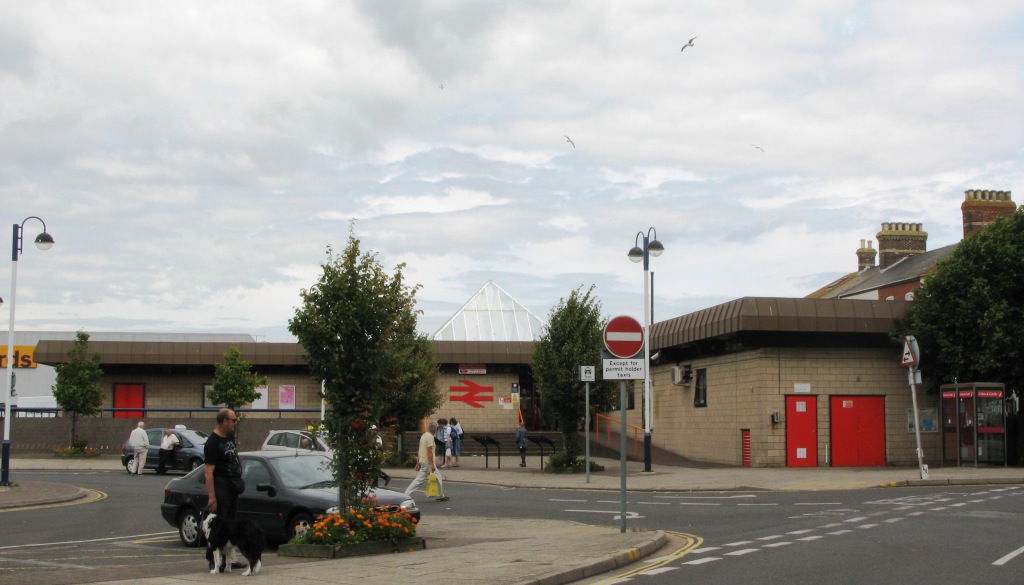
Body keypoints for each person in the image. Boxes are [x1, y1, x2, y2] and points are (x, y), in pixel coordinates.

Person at [204, 408, 245, 571]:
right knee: (219, 524)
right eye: (234, 420)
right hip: (221, 485)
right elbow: (208, 471)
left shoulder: (229, 436)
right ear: (225, 421)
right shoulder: (212, 442)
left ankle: (230, 559)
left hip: (233, 483)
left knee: (231, 524)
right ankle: (213, 558)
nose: (235, 423)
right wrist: (212, 497)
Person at [404, 421, 448, 502]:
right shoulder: (430, 437)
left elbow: (420, 449)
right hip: (428, 462)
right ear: (435, 429)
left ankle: (406, 494)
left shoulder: (423, 436)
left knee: (422, 479)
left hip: (423, 461)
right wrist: (432, 464)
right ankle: (441, 496)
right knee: (430, 478)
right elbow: (429, 451)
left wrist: (418, 462)